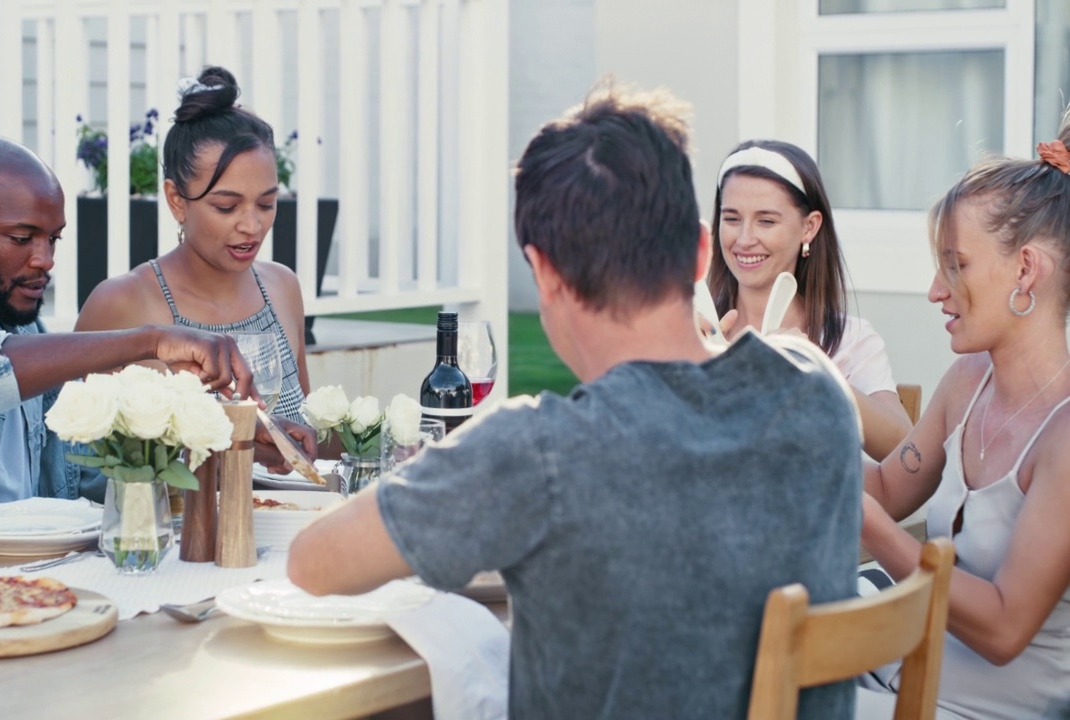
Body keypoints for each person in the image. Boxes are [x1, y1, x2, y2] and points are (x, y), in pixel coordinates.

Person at [287, 83, 862, 719]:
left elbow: (311, 563)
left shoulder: (538, 451)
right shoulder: (817, 391)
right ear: (702, 251)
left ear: (546, 275)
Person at [0, 133, 312, 552]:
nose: (44, 260)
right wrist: (151, 340)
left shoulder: (26, 336)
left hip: (35, 582)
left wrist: (222, 444)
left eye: (53, 240)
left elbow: (94, 477)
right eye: (22, 238)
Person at [858, 133, 1070, 718]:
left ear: (1026, 270)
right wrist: (796, 402)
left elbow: (1004, 629)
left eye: (956, 265)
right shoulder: (968, 379)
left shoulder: (1065, 435)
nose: (934, 291)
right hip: (910, 672)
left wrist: (878, 534)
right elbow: (881, 490)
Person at [75, 66, 311, 426]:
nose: (252, 226)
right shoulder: (123, 305)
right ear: (176, 199)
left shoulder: (282, 289)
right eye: (226, 206)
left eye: (266, 203)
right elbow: (74, 467)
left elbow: (308, 445)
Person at [707, 140, 912, 459]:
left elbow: (904, 451)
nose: (744, 240)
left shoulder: (850, 340)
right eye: (732, 219)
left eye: (766, 221)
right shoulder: (695, 330)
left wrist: (816, 368)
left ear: (809, 227)